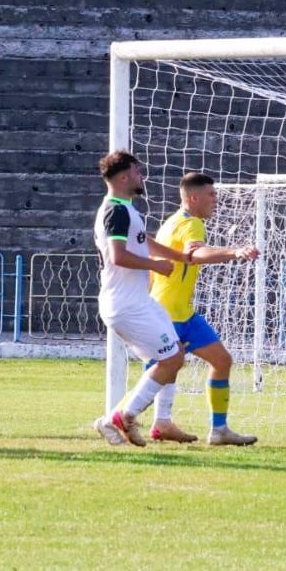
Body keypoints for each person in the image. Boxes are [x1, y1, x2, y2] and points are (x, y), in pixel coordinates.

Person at [146, 172, 261, 446]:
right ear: (194, 197)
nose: (216, 199)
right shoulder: (192, 224)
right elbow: (195, 255)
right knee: (159, 373)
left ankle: (218, 430)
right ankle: (122, 418)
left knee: (221, 360)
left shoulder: (172, 222)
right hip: (168, 313)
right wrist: (234, 252)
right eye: (211, 194)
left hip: (182, 312)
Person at [90, 150, 190, 448]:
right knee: (170, 359)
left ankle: (155, 422)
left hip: (138, 301)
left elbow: (145, 242)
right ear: (123, 177)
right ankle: (124, 416)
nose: (141, 176)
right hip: (125, 304)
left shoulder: (125, 209)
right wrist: (156, 266)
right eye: (136, 171)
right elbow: (118, 256)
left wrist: (181, 257)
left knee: (175, 353)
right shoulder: (116, 211)